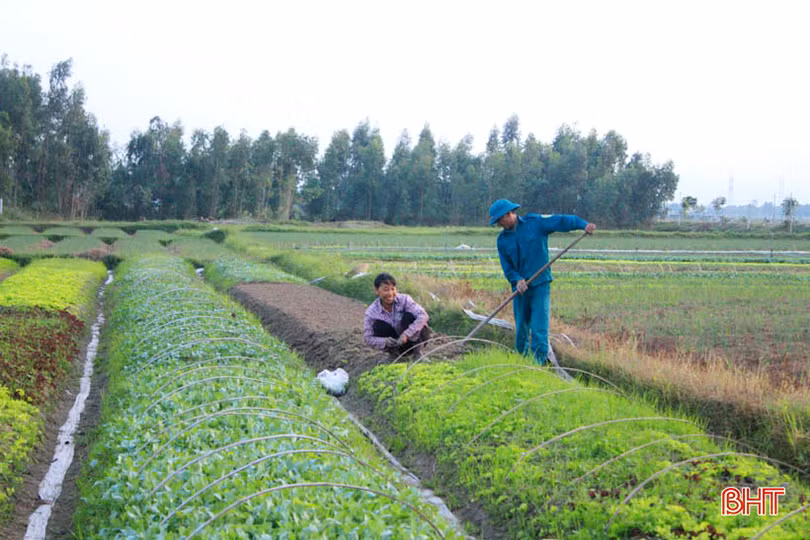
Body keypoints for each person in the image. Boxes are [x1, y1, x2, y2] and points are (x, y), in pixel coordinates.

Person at [489, 199, 596, 365]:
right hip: (520, 290)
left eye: (499, 220)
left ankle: (538, 365)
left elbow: (560, 220)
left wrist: (583, 225)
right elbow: (507, 268)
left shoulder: (535, 223)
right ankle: (521, 363)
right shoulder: (502, 240)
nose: (499, 224)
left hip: (540, 285)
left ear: (509, 214)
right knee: (521, 330)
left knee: (539, 328)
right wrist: (517, 280)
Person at [364, 272, 431, 357]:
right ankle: (394, 355)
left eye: (393, 289)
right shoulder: (372, 312)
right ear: (377, 291)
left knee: (409, 316)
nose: (390, 293)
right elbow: (368, 338)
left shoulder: (404, 300)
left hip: (414, 339)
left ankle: (418, 353)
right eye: (386, 289)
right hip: (396, 345)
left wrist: (406, 334)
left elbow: (423, 315)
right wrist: (384, 341)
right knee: (378, 325)